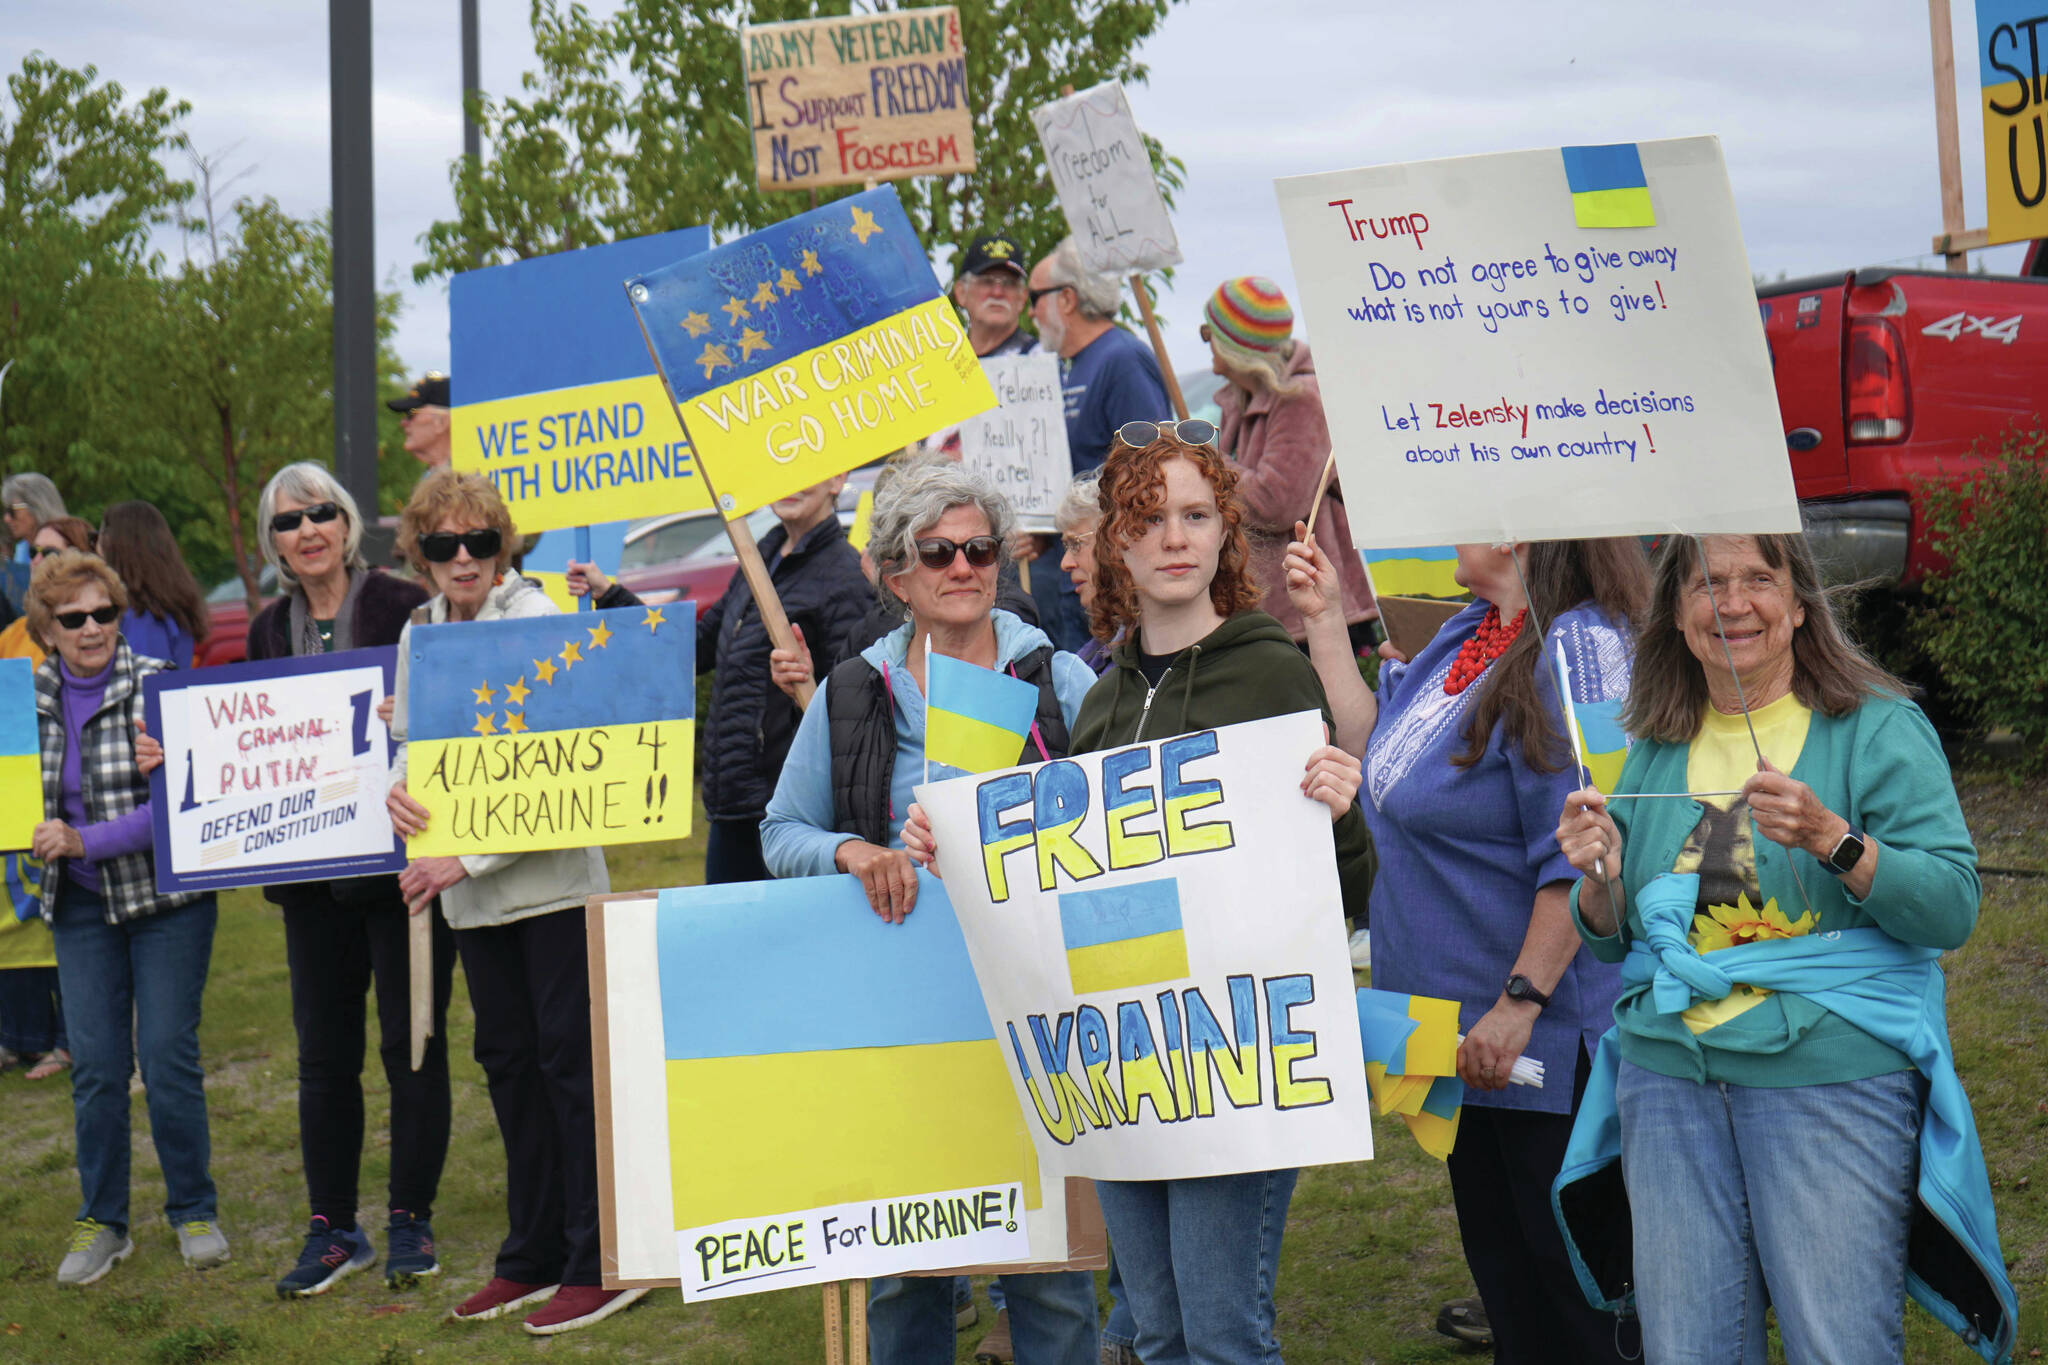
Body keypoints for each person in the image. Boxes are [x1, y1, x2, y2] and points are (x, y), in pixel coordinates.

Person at [908, 424, 1374, 1364]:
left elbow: (1348, 883)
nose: (1175, 537)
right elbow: (1059, 882)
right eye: (1150, 517)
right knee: (1154, 1333)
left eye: (1197, 515)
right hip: (1124, 1064)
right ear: (1116, 542)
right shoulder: (1101, 704)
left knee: (1223, 1332)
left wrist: (1337, 811)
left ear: (1224, 536)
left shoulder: (1269, 670)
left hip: (1233, 1060)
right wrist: (958, 849)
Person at [1553, 533, 2010, 1364]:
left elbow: (1950, 906)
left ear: (1800, 603)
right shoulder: (1658, 736)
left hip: (1826, 1082)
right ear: (1678, 614)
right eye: (1706, 584)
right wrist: (1598, 875)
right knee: (1688, 1348)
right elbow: (1617, 934)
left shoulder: (1874, 726)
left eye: (1757, 579)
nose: (1732, 603)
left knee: (1836, 1345)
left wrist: (1836, 840)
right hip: (1668, 1082)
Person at [762, 461, 1101, 1365]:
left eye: (980, 547)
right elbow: (780, 829)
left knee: (1050, 1265)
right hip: (903, 1011)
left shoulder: (1055, 674)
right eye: (938, 551)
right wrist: (854, 851)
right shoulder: (848, 692)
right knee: (907, 1264)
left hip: (1037, 1001)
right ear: (894, 574)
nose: (963, 566)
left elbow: (1122, 805)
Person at [1288, 527, 1647, 1364]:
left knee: (1582, 1299)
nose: (1449, 525)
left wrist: (1519, 1003)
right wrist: (1327, 622)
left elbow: (1581, 854)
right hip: (1457, 1032)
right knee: (1511, 1285)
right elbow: (1380, 746)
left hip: (1536, 1036)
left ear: (1520, 533)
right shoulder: (1476, 627)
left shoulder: (1572, 652)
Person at [383, 469, 639, 1336]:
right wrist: (400, 798)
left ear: (504, 546)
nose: (463, 558)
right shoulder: (418, 634)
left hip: (550, 887)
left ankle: (601, 1257)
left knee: (572, 1066)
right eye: (444, 543)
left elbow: (565, 762)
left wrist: (468, 853)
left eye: (479, 542)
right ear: (421, 551)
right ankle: (529, 1253)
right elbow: (413, 746)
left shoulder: (536, 623)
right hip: (471, 901)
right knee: (508, 1065)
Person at [241, 462, 454, 1298]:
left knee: (414, 1043)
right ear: (274, 544)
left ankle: (410, 1216)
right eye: (290, 522)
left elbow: (454, 717)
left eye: (322, 512)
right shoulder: (266, 628)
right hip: (310, 880)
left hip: (402, 871)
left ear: (348, 520)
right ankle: (333, 1225)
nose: (309, 531)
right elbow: (246, 745)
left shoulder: (403, 603)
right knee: (324, 1057)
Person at [25, 549, 227, 1285]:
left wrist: (87, 835)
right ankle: (103, 1221)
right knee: (98, 1070)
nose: (90, 628)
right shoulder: (21, 701)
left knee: (168, 1057)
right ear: (45, 627)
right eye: (71, 617)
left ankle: (194, 1208)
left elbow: (181, 807)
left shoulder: (160, 689)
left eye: (103, 612)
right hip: (78, 904)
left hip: (166, 901)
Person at [570, 475, 871, 885]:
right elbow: (691, 650)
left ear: (838, 480)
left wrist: (804, 682)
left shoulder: (844, 576)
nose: (790, 480)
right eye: (780, 465)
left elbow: (857, 709)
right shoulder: (759, 560)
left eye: (808, 469)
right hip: (735, 802)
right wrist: (610, 594)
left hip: (792, 813)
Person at [1205, 276, 1375, 648]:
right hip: (1272, 606)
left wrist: (1207, 462)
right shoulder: (1243, 397)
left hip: (1310, 612)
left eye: (1209, 333)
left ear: (1234, 346)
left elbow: (1276, 502)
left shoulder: (1301, 399)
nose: (1206, 345)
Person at [1025, 236, 1172, 654]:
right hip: (1077, 567)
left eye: (1035, 297)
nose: (1031, 311)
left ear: (1067, 299)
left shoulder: (1121, 359)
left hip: (1109, 575)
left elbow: (1150, 470)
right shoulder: (1075, 365)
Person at [95, 502, 206, 669]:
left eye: (100, 534)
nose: (96, 545)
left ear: (113, 543)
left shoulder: (142, 618)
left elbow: (143, 683)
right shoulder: (164, 606)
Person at [955, 230, 1039, 358]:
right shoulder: (945, 366)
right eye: (986, 282)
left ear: (1023, 297)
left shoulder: (1041, 360)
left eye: (1009, 283)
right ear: (961, 293)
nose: (997, 292)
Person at [388, 372, 452, 468]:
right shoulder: (465, 477)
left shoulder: (470, 479)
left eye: (411, 413)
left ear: (442, 422)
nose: (403, 423)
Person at [4, 471, 66, 562]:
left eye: (12, 511)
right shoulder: (23, 549)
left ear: (36, 507)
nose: (6, 518)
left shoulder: (63, 547)